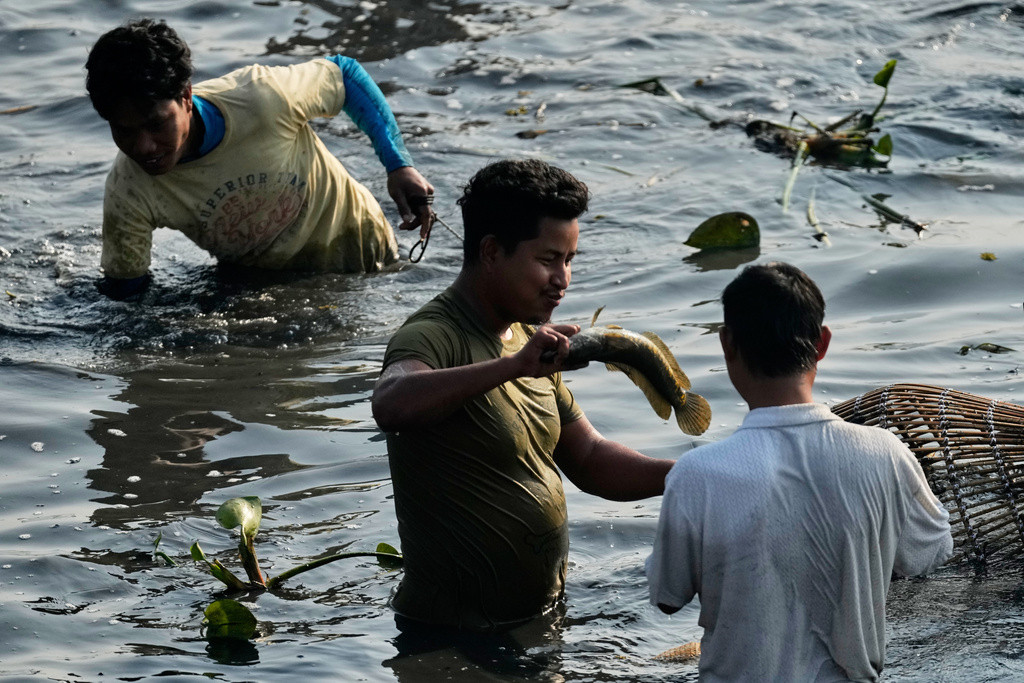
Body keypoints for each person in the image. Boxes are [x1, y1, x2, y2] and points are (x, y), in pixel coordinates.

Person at [371, 159, 675, 631]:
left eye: (570, 260)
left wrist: (693, 473)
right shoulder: (435, 334)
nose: (563, 279)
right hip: (449, 638)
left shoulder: (528, 339)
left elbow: (591, 459)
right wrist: (512, 367)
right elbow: (391, 402)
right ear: (492, 251)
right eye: (548, 260)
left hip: (536, 625)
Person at [646, 262, 953, 682]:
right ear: (822, 343)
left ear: (727, 345)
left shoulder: (696, 474)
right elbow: (930, 552)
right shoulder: (886, 454)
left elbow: (667, 596)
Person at [85, 18, 434, 299]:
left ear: (186, 97)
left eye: (156, 124)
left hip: (363, 254)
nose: (143, 146)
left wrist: (398, 165)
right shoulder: (129, 190)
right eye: (124, 130)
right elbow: (127, 291)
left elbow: (344, 75)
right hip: (266, 288)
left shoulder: (260, 98)